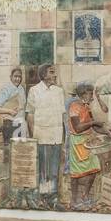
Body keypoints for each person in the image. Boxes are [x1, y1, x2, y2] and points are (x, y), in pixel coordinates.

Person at [26, 64, 66, 195]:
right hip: (41, 136)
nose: (55, 75)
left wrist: (64, 137)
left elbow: (62, 115)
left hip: (56, 136)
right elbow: (30, 114)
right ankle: (43, 195)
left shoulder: (59, 91)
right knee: (43, 170)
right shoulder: (34, 90)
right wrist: (33, 136)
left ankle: (53, 197)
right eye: (52, 72)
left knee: (54, 170)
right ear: (44, 75)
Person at [66, 82, 103, 208]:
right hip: (77, 141)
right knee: (76, 173)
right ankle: (73, 200)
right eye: (90, 93)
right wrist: (93, 123)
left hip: (87, 141)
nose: (91, 96)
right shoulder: (74, 107)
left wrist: (109, 132)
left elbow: (96, 127)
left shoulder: (87, 107)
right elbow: (77, 128)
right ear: (83, 94)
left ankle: (85, 195)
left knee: (95, 168)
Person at [0, 67, 27, 144]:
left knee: (19, 149)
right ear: (11, 77)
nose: (18, 79)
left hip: (20, 123)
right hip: (9, 123)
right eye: (15, 76)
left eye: (19, 77)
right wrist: (9, 111)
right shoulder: (6, 89)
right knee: (9, 149)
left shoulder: (21, 89)